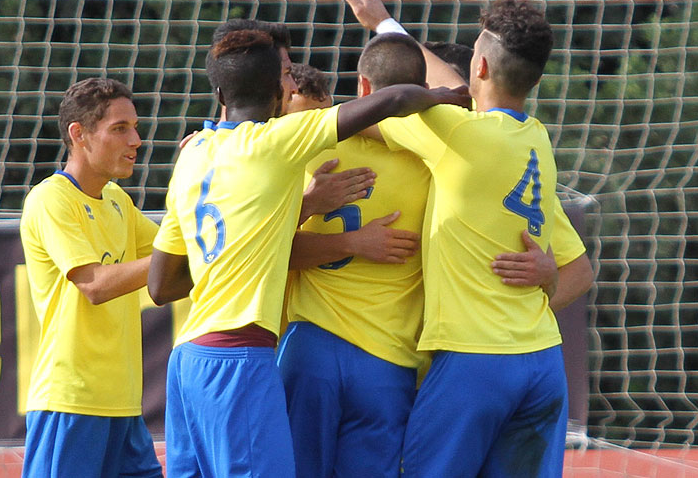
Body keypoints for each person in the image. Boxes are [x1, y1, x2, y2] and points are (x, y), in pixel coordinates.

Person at [147, 28, 469, 477]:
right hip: (241, 356)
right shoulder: (278, 142)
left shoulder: (193, 153)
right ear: (285, 89)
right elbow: (393, 101)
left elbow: (160, 285)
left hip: (187, 361)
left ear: (219, 91)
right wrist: (448, 99)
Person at [341, 0, 593, 477]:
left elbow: (380, 104)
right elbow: (580, 274)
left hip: (475, 362)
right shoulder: (537, 141)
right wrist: (384, 22)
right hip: (542, 359)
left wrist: (382, 24)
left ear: (479, 64)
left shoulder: (457, 135)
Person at [277, 33, 431, 478]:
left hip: (311, 348)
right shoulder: (436, 160)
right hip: (388, 357)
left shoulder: (306, 146)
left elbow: (266, 250)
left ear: (361, 86)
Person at [19, 78, 190, 477]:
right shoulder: (51, 199)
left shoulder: (117, 200)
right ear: (78, 135)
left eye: (134, 126)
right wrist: (184, 251)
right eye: (119, 129)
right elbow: (94, 285)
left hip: (125, 407)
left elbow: (181, 261)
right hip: (72, 403)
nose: (137, 140)